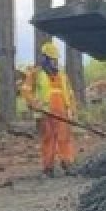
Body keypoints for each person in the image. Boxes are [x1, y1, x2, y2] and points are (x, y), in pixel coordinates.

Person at [31, 41, 76, 177]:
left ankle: (67, 164)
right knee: (48, 140)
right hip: (46, 114)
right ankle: (48, 168)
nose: (55, 62)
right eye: (52, 60)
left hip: (62, 113)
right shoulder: (36, 74)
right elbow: (26, 91)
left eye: (56, 60)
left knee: (64, 138)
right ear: (45, 59)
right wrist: (35, 104)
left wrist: (71, 109)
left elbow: (69, 93)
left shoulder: (62, 75)